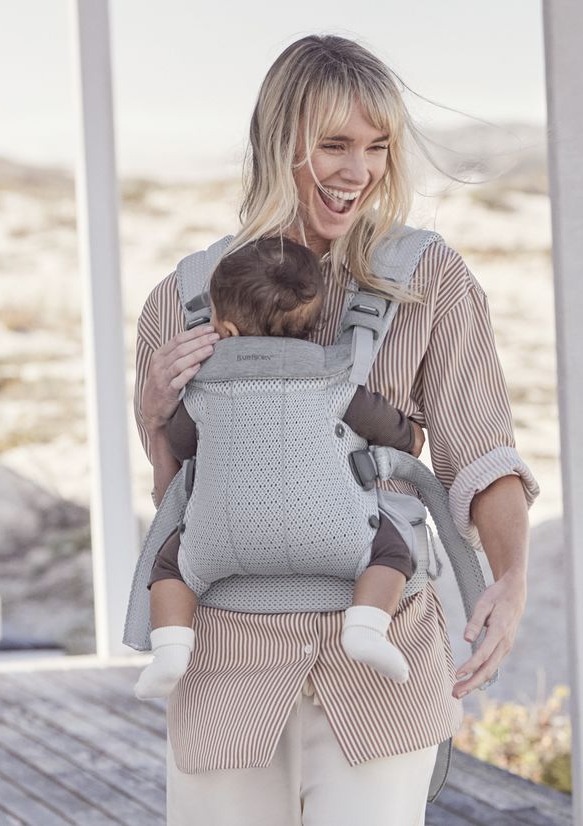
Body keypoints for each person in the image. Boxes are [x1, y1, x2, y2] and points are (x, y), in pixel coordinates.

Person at [134, 34, 538, 826]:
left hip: (381, 665)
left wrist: (511, 578)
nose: (359, 171)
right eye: (334, 145)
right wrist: (153, 409)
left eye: (378, 147)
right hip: (226, 668)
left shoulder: (430, 281)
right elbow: (176, 495)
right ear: (280, 141)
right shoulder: (179, 299)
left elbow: (479, 450)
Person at [134, 236, 426, 701]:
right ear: (311, 327)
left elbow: (182, 446)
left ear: (224, 329)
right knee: (392, 552)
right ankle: (367, 628)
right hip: (333, 530)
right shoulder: (333, 379)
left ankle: (170, 651)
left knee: (169, 566)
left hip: (221, 538)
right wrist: (411, 435)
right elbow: (385, 426)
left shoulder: (203, 392)